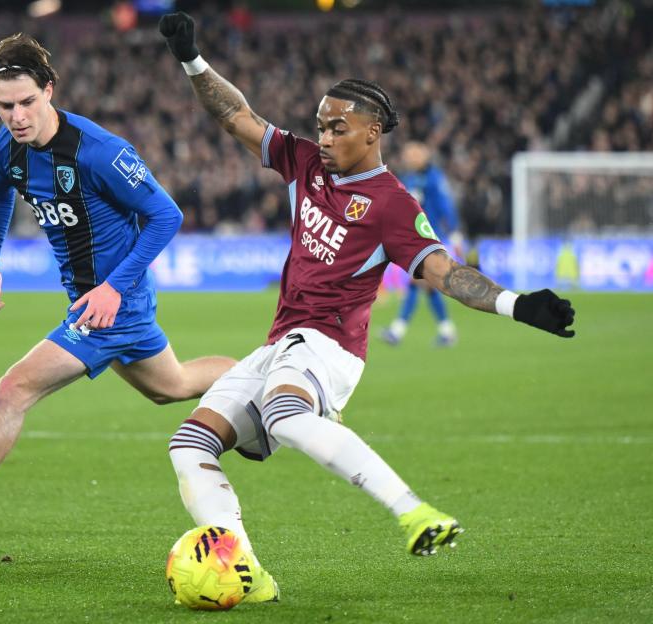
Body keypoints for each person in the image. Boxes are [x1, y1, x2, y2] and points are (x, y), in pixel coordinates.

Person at [158, 12, 575, 602]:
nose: (324, 138)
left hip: (328, 346)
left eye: (337, 128)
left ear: (373, 131)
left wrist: (516, 304)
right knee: (189, 444)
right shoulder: (304, 164)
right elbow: (236, 116)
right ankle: (246, 572)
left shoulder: (392, 205)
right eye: (320, 128)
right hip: (281, 342)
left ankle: (413, 512)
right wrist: (192, 59)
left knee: (284, 416)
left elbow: (444, 272)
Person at [0, 34, 236, 556]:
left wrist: (112, 288)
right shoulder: (9, 146)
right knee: (171, 386)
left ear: (50, 90)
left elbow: (166, 216)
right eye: (4, 106)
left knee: (12, 390)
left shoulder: (100, 153)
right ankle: (270, 379)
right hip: (91, 298)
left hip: (112, 305)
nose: (17, 117)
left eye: (27, 103)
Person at [381, 141, 462, 346]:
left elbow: (445, 206)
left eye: (412, 154)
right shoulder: (409, 178)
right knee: (424, 285)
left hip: (429, 238)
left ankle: (397, 331)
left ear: (423, 156)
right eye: (407, 154)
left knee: (419, 283)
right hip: (414, 238)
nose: (408, 158)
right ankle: (445, 331)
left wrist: (454, 232)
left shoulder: (434, 177)